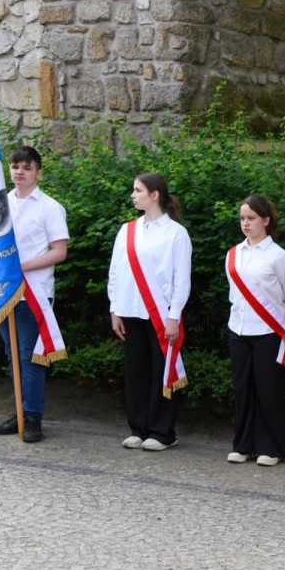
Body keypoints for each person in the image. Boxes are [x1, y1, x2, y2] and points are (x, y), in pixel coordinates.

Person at [107, 173, 192, 451]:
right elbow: (116, 271)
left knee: (162, 370)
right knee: (137, 371)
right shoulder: (126, 230)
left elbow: (182, 279)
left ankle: (162, 431)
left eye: (138, 190)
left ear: (154, 195)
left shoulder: (176, 233)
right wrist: (115, 309)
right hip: (130, 309)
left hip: (161, 315)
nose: (133, 195)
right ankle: (139, 427)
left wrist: (173, 316)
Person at [0, 146, 69, 443]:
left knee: (31, 357)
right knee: (12, 356)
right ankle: (20, 410)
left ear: (38, 172)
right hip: (3, 291)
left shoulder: (50, 207)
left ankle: (34, 416)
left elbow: (59, 252)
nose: (19, 172)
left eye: (26, 167)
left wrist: (20, 267)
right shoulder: (0, 203)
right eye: (14, 166)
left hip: (33, 293)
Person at [225, 194, 285, 466]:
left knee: (270, 391)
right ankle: (243, 445)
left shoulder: (280, 257)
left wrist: (281, 326)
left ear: (266, 221)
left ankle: (272, 447)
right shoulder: (233, 254)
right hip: (239, 330)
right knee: (243, 389)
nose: (246, 223)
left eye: (252, 218)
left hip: (270, 333)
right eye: (243, 218)